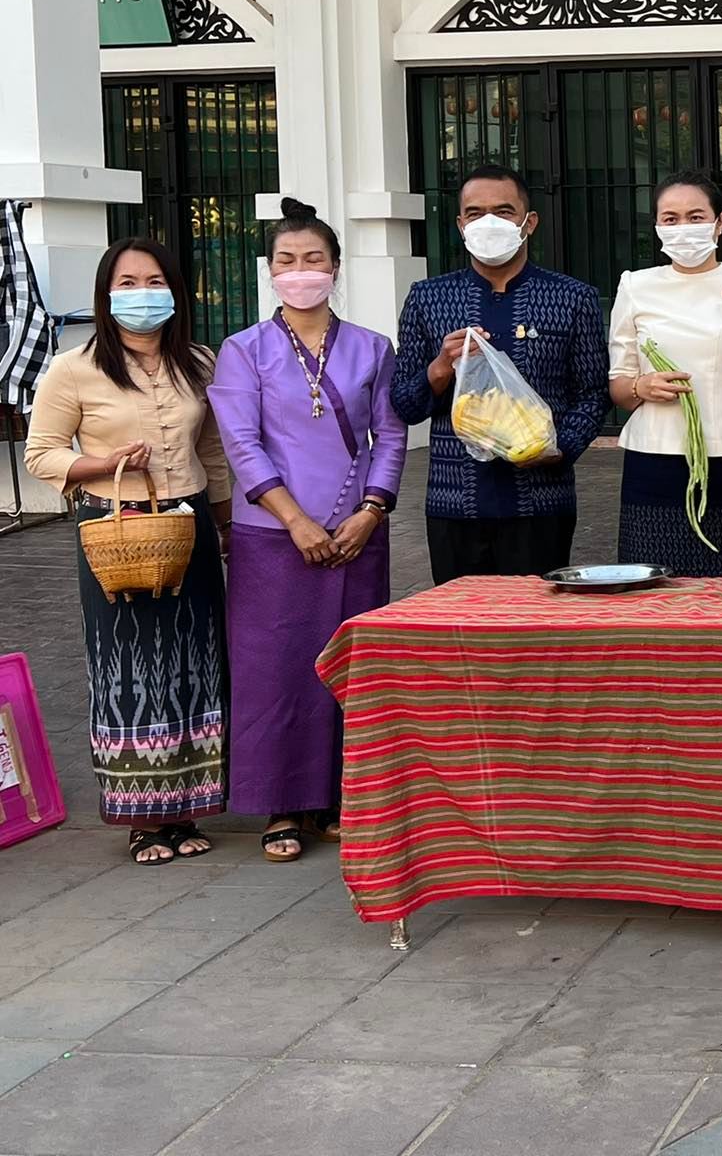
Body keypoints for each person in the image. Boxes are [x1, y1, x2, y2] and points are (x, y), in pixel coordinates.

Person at [208, 199, 404, 860]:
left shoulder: (373, 348)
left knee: (348, 668)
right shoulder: (243, 351)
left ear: (336, 268)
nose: (301, 273)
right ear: (270, 272)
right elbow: (241, 443)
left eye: (313, 260)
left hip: (355, 535)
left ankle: (338, 798)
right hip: (272, 537)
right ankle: (281, 808)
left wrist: (371, 511)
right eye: (287, 261)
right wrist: (293, 521)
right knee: (276, 671)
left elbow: (392, 435)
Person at [24, 239, 230, 866]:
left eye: (155, 280)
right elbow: (41, 454)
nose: (143, 293)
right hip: (116, 534)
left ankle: (188, 804)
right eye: (129, 282)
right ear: (106, 294)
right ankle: (144, 819)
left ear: (176, 291)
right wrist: (102, 463)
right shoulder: (73, 367)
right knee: (129, 667)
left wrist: (226, 527)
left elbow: (215, 453)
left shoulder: (198, 360)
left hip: (188, 529)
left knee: (196, 660)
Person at [391, 165, 609, 582]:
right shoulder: (428, 299)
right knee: (462, 627)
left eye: (504, 211)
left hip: (542, 500)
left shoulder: (571, 297)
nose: (488, 223)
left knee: (535, 629)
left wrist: (559, 448)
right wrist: (439, 368)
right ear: (459, 224)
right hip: (455, 500)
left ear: (529, 222)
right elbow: (404, 403)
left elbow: (593, 392)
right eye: (475, 213)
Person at [608, 171, 722, 572]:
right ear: (656, 226)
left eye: (695, 216)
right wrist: (641, 385)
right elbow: (619, 384)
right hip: (653, 460)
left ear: (719, 223)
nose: (683, 228)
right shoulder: (635, 286)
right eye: (670, 219)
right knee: (650, 586)